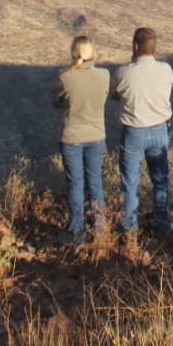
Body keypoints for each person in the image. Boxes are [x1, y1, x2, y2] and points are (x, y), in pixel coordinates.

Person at [111, 27, 173, 239]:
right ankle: (162, 223)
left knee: (130, 181)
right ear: (154, 48)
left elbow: (115, 94)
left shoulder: (123, 73)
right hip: (159, 130)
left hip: (134, 132)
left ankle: (129, 227)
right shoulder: (166, 70)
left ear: (135, 46)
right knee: (160, 179)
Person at [51, 35, 109, 241]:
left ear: (73, 53)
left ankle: (77, 230)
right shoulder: (104, 76)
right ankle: (100, 227)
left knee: (75, 183)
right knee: (95, 180)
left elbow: (55, 101)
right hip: (96, 136)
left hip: (72, 137)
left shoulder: (65, 77)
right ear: (92, 53)